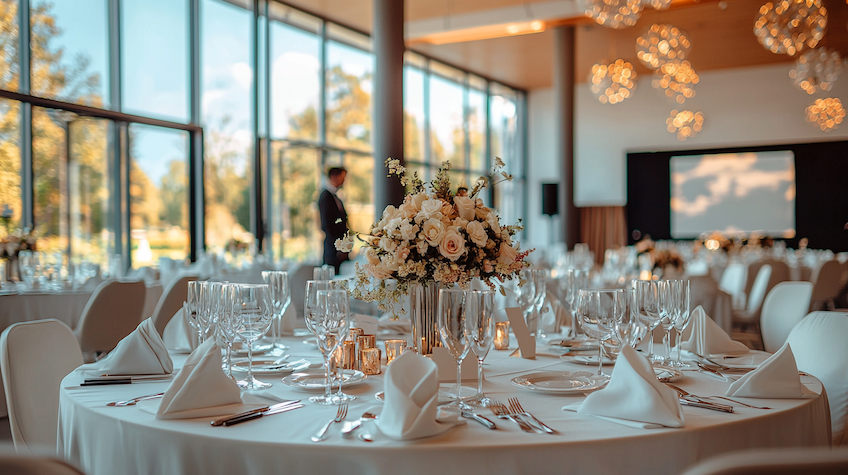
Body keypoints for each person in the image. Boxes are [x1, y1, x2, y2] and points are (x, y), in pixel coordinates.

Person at [318, 166, 349, 274]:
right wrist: (339, 247)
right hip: (333, 249)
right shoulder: (326, 196)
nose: (344, 180)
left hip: (338, 249)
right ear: (334, 177)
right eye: (342, 177)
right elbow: (327, 224)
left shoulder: (335, 196)